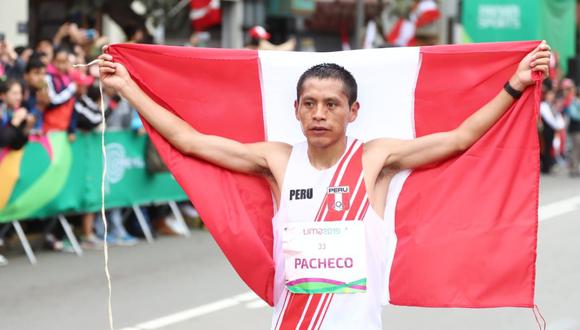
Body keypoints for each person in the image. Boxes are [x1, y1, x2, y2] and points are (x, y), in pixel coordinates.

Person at [98, 42, 550, 329]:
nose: (320, 113)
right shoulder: (277, 159)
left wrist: (513, 84)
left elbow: (458, 139)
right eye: (310, 103)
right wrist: (127, 86)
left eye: (332, 104)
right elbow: (188, 141)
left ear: (353, 111)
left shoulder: (375, 158)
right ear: (295, 109)